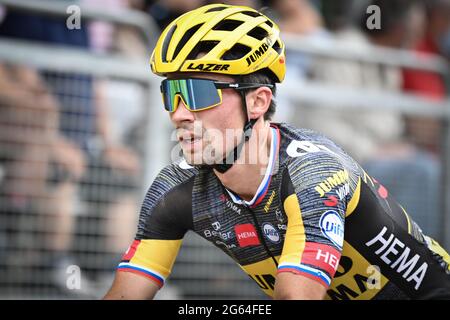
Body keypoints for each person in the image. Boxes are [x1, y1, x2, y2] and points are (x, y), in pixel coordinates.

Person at [104, 4, 450, 300]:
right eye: (172, 93)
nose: (179, 112)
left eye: (197, 93)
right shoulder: (174, 187)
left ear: (257, 101)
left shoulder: (313, 174)